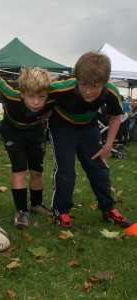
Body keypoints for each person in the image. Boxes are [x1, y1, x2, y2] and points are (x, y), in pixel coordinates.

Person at [48, 51, 133, 231]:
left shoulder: (111, 91)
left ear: (105, 82)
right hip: (62, 127)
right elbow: (36, 94)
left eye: (95, 86)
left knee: (99, 168)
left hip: (88, 127)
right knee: (66, 171)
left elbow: (116, 117)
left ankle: (108, 209)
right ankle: (61, 212)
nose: (88, 91)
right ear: (77, 78)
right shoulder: (61, 86)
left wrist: (108, 146)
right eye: (83, 85)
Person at [0, 67, 54, 230]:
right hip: (12, 131)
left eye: (41, 97)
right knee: (19, 169)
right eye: (31, 96)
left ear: (47, 94)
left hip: (35, 131)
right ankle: (21, 211)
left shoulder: (54, 96)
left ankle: (36, 204)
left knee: (37, 171)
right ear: (22, 93)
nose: (36, 102)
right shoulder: (10, 93)